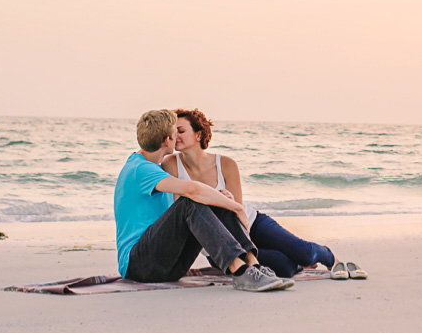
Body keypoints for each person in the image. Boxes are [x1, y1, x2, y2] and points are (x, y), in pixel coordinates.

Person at [113, 109, 292, 292]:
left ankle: (253, 265)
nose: (178, 138)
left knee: (214, 199)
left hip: (168, 265)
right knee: (189, 201)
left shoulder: (155, 169)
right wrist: (237, 208)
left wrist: (223, 201)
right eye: (176, 134)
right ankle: (239, 272)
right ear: (167, 141)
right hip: (138, 266)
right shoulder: (139, 169)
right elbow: (192, 190)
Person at [161, 108, 346, 279]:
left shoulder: (226, 164)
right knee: (285, 267)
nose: (175, 136)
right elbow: (180, 217)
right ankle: (300, 265)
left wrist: (230, 202)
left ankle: (328, 256)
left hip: (251, 223)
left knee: (304, 253)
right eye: (173, 131)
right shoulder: (170, 165)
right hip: (217, 243)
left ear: (198, 134)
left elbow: (239, 211)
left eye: (181, 130)